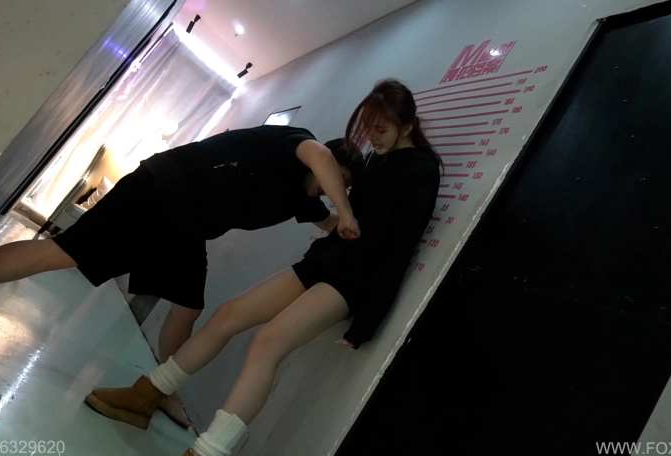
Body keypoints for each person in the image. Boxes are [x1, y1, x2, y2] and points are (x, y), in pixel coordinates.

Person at [83, 78, 442, 456]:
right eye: (368, 128)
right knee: (228, 315)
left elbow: (401, 247)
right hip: (324, 261)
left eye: (381, 129)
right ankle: (145, 395)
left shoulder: (422, 170)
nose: (372, 137)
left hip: (353, 278)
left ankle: (207, 451)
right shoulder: (376, 159)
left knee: (267, 342)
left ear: (407, 125)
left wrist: (367, 322)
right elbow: (342, 203)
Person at [0, 125, 364, 428]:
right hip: (160, 192)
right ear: (334, 163)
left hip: (187, 228)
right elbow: (320, 158)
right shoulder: (297, 143)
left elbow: (330, 224)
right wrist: (345, 210)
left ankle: (159, 391)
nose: (336, 192)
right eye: (341, 182)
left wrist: (351, 225)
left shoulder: (303, 200)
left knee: (188, 307)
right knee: (62, 252)